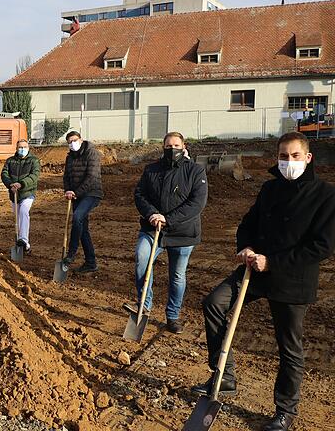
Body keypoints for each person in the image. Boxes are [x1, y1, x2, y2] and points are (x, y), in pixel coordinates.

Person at [192, 132, 335, 431]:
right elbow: (248, 223)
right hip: (254, 273)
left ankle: (285, 410)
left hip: (292, 280)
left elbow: (322, 246)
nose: (288, 162)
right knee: (214, 303)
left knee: (289, 348)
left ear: (308, 158)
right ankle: (224, 374)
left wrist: (273, 262)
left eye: (295, 156)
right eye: (283, 156)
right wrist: (244, 246)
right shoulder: (270, 189)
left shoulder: (325, 195)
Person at [125, 131, 208, 334]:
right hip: (153, 229)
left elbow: (197, 203)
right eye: (168, 146)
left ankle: (173, 315)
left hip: (183, 233)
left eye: (176, 146)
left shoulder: (195, 171)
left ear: (184, 146)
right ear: (163, 147)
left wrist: (168, 219)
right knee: (142, 260)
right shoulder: (151, 170)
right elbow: (140, 194)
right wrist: (152, 213)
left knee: (177, 276)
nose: (172, 150)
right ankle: (144, 305)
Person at [62, 130, 103, 272]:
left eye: (74, 140)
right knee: (82, 229)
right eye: (69, 142)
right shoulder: (70, 157)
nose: (72, 144)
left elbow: (91, 177)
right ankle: (91, 262)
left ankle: (71, 253)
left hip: (92, 193)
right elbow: (66, 176)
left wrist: (76, 192)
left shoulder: (92, 153)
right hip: (76, 195)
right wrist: (68, 190)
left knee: (77, 217)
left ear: (80, 139)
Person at [1, 139, 41, 254]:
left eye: (24, 147)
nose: (22, 149)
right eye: (20, 147)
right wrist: (10, 184)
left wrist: (21, 184)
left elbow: (34, 175)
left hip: (27, 193)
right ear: (16, 148)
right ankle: (19, 241)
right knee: (17, 218)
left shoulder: (34, 161)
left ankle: (24, 241)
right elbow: (4, 174)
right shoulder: (10, 161)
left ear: (28, 147)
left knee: (24, 211)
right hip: (14, 194)